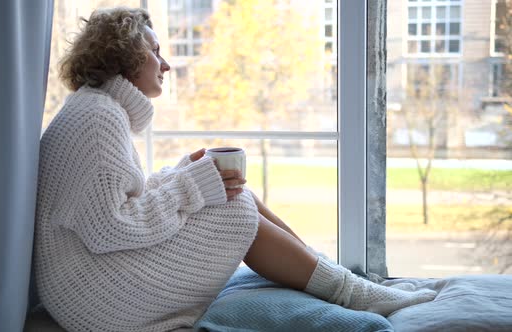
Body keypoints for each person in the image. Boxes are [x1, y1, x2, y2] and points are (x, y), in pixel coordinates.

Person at [34, 7, 436, 332]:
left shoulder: (96, 109)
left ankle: (331, 277)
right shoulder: (99, 117)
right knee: (234, 207)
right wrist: (190, 185)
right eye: (155, 51)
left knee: (234, 193)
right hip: (98, 297)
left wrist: (182, 176)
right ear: (123, 55)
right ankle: (350, 292)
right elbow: (110, 227)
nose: (166, 64)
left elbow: (115, 204)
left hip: (91, 283)